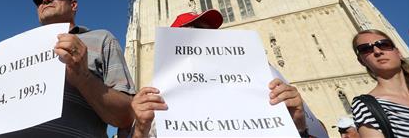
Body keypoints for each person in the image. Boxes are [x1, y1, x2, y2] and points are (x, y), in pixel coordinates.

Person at [0, 0, 136, 137]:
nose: (45, 0)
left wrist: (83, 77)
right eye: (39, 0)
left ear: (73, 5)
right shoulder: (13, 51)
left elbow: (126, 116)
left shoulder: (101, 38)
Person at [131, 10, 310, 138]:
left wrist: (298, 126)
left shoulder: (259, 93)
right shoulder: (158, 102)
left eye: (211, 35)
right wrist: (140, 130)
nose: (208, 41)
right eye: (197, 33)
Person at [351, 29, 409, 137]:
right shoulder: (366, 106)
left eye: (384, 44)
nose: (377, 51)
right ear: (361, 61)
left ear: (399, 53)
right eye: (365, 49)